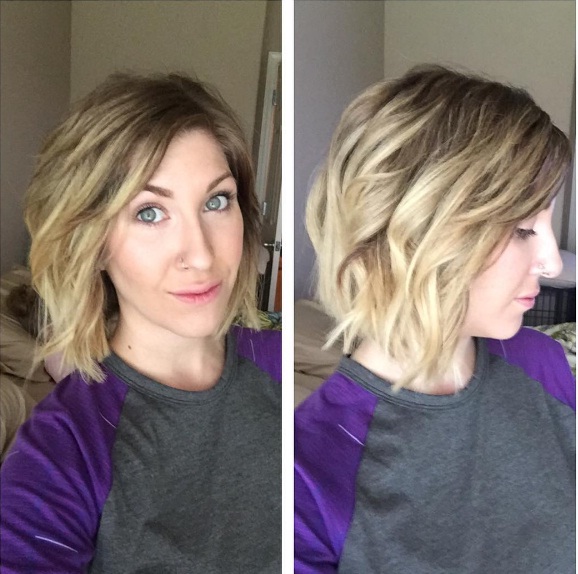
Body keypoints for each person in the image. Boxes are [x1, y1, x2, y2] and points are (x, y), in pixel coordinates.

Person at [295, 65, 575, 573]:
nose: (553, 262)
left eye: (546, 223)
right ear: (420, 232)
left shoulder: (544, 363)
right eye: (522, 228)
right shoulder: (307, 474)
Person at [1, 72, 281, 573]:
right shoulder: (63, 449)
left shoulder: (279, 364)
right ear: (92, 242)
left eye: (217, 201)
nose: (201, 255)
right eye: (150, 212)